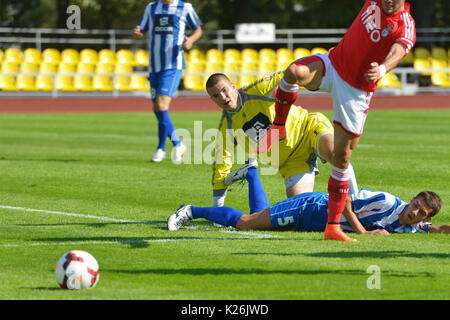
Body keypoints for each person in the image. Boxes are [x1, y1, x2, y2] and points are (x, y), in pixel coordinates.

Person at [259, 0, 416, 241]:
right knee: (293, 72)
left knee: (341, 160)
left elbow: (399, 50)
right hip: (333, 63)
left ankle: (333, 227)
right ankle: (278, 127)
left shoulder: (404, 24)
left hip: (355, 91)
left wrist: (383, 69)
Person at [205, 72, 359, 210]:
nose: (223, 97)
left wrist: (331, 78)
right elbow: (221, 165)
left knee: (336, 155)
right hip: (291, 163)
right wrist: (217, 209)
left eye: (224, 90)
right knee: (300, 210)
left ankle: (358, 205)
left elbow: (291, 75)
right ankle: (340, 213)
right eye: (216, 95)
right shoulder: (227, 128)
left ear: (233, 87)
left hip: (308, 129)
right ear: (212, 100)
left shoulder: (258, 90)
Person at [167, 165, 447, 236]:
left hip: (312, 223)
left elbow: (434, 230)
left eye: (419, 212)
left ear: (426, 217)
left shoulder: (409, 226)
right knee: (245, 224)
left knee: (261, 217)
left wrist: (440, 230)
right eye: (414, 205)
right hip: (310, 207)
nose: (413, 212)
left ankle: (252, 173)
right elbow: (346, 201)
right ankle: (191, 210)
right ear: (411, 200)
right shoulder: (386, 202)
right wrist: (364, 232)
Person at [133, 0, 203, 163]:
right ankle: (176, 143)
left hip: (173, 65)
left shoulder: (185, 8)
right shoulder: (151, 7)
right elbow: (140, 27)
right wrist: (137, 31)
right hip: (154, 65)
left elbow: (198, 29)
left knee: (162, 105)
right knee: (157, 108)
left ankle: (161, 148)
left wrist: (191, 40)